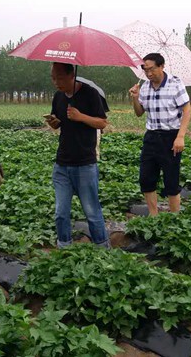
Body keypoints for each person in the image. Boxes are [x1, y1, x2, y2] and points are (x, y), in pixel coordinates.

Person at [44, 63, 110, 248]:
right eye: (53, 78)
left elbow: (102, 123)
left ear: (72, 75)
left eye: (60, 78)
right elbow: (59, 123)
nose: (56, 82)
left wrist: (81, 116)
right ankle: (64, 247)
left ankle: (102, 248)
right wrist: (54, 123)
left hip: (85, 164)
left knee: (92, 211)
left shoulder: (90, 94)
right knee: (61, 212)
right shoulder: (58, 96)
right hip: (62, 163)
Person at [129, 53, 191, 215]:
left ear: (162, 66)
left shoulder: (175, 83)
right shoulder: (145, 87)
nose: (149, 73)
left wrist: (180, 137)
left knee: (171, 180)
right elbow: (139, 113)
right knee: (146, 178)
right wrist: (135, 98)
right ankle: (154, 216)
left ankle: (174, 217)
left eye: (152, 69)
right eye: (145, 70)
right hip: (151, 136)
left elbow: (187, 110)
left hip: (171, 136)